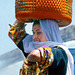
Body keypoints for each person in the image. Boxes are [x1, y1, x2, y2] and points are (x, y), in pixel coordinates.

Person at [8, 19, 74, 75]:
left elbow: (35, 55)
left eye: (38, 32)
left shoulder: (59, 52)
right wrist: (22, 17)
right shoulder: (31, 46)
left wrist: (29, 65)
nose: (34, 37)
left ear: (49, 32)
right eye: (33, 32)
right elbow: (15, 32)